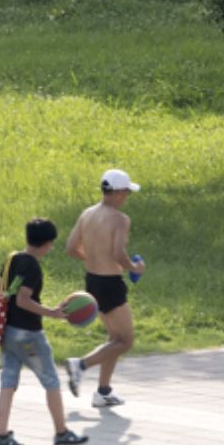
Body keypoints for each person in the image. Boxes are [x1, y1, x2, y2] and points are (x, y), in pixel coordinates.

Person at [0, 218, 89, 445]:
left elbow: (6, 294)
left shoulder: (12, 258)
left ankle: (1, 436)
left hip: (8, 331)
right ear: (46, 244)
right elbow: (23, 299)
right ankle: (62, 433)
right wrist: (52, 313)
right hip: (29, 335)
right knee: (51, 381)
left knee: (8, 382)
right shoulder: (32, 266)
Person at [65, 169, 145, 408]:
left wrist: (93, 259)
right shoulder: (120, 219)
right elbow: (118, 253)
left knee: (114, 338)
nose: (127, 197)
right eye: (127, 192)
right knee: (126, 341)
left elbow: (70, 248)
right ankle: (80, 365)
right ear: (118, 192)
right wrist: (135, 267)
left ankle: (103, 391)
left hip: (92, 281)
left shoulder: (87, 214)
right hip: (111, 284)